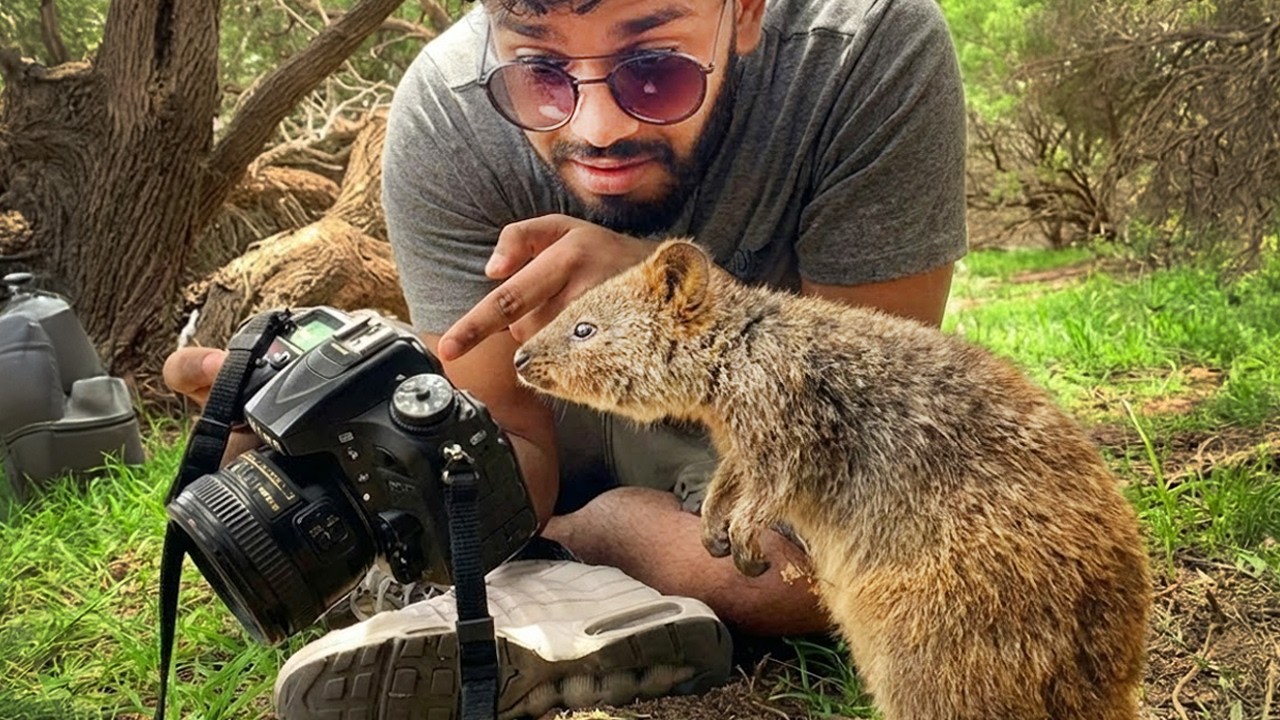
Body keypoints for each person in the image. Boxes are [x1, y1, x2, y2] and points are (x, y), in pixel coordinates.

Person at [163, 0, 967, 715]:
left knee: (822, 572)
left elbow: (863, 447)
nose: (595, 129)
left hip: (771, 430)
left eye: (653, 69)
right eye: (539, 68)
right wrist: (385, 465)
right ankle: (533, 570)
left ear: (746, 12)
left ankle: (580, 554)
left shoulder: (868, 44)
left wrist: (648, 289)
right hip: (562, 401)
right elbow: (515, 456)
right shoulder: (448, 113)